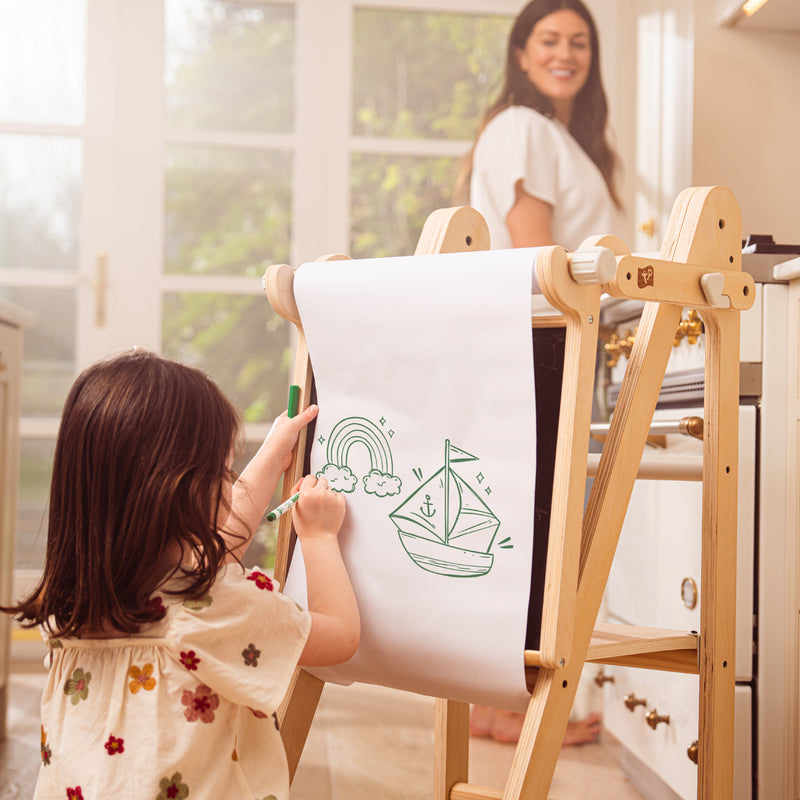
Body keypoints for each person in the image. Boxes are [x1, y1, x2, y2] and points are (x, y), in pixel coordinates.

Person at [2, 349, 359, 800]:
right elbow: (340, 637)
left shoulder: (70, 604)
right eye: (222, 469)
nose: (232, 482)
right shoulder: (216, 607)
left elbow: (215, 553)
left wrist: (272, 456)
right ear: (178, 490)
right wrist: (320, 537)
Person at [457, 0, 622, 746]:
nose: (566, 53)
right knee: (538, 526)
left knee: (532, 525)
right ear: (521, 53)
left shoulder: (558, 137)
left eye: (579, 42)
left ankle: (503, 705)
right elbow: (538, 251)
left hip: (546, 334)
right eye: (550, 39)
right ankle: (506, 705)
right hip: (544, 332)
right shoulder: (523, 128)